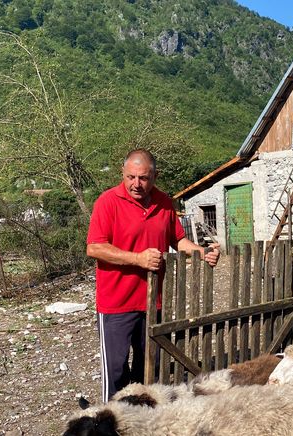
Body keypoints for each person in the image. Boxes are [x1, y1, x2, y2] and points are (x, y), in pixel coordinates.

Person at [86, 149, 220, 402]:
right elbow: (94, 247)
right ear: (122, 174)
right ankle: (111, 419)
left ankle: (141, 418)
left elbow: (177, 239)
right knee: (115, 369)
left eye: (144, 178)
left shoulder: (164, 202)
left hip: (153, 301)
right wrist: (137, 259)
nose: (136, 184)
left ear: (155, 176)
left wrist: (201, 252)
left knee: (149, 365)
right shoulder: (108, 202)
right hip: (116, 302)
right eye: (131, 177)